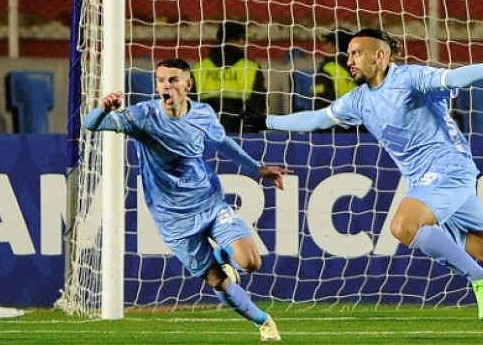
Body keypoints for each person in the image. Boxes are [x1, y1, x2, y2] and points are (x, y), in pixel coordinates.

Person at [240, 28, 483, 345]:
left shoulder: (409, 78)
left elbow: (453, 80)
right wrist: (267, 120)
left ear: (379, 56)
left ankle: (478, 279)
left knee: (403, 226)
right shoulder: (360, 100)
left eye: (356, 53)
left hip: (449, 170)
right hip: (431, 182)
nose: (349, 60)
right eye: (348, 54)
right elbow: (318, 118)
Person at [84, 57, 291, 341]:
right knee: (218, 280)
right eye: (160, 80)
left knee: (251, 262)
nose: (165, 86)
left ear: (188, 84)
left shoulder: (203, 113)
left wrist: (258, 168)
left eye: (172, 80)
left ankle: (221, 254)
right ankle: (263, 322)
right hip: (173, 219)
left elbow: (223, 143)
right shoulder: (143, 116)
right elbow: (91, 124)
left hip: (209, 203)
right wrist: (103, 109)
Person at [192, 21, 267, 133]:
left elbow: (190, 104)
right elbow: (258, 105)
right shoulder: (251, 68)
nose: (246, 43)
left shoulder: (199, 67)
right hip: (242, 134)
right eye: (243, 39)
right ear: (232, 40)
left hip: (206, 133)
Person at [311, 28, 355, 110]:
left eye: (327, 43)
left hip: (335, 119)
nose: (324, 47)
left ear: (334, 47)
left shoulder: (327, 69)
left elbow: (319, 104)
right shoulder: (361, 68)